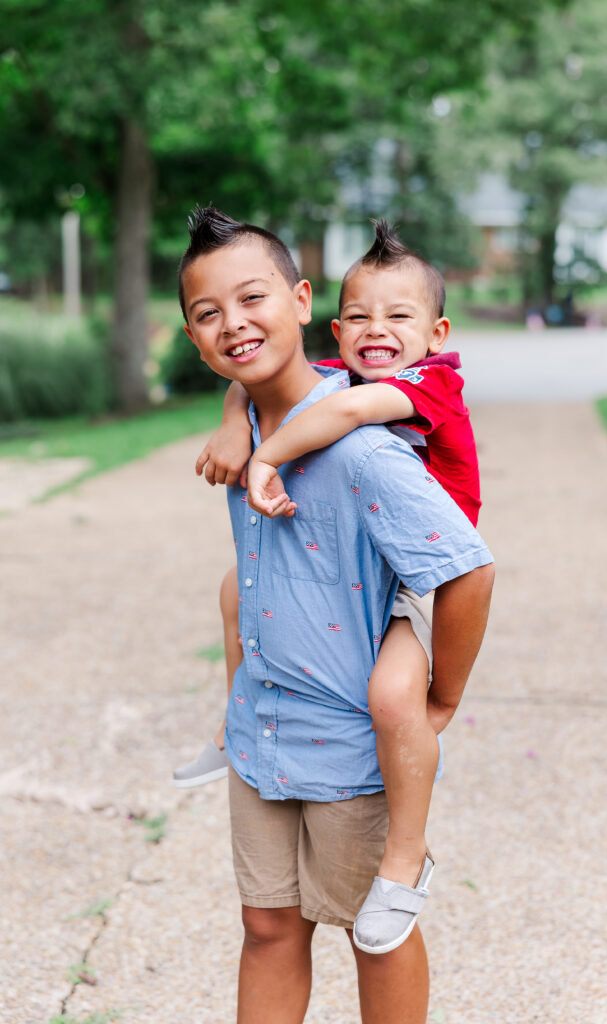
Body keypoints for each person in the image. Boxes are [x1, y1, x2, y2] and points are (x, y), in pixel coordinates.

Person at [177, 205, 494, 1024]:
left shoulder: (363, 441)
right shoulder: (250, 418)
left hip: (348, 744)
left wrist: (439, 696)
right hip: (263, 734)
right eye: (207, 314)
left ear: (301, 299)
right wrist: (233, 419)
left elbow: (467, 570)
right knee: (266, 924)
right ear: (191, 336)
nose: (233, 325)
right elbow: (243, 386)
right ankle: (229, 724)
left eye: (252, 300)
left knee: (373, 935)